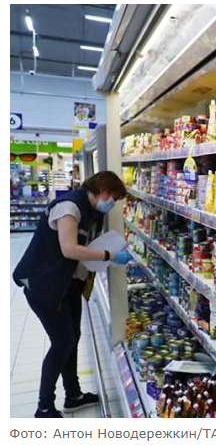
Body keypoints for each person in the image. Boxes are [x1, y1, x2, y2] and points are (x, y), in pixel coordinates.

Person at [12, 171, 133, 418]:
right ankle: (44, 406)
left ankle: (73, 395)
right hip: (43, 285)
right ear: (102, 190)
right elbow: (69, 249)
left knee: (73, 338)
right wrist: (109, 256)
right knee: (62, 342)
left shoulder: (94, 212)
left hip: (68, 285)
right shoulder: (69, 207)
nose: (112, 203)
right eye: (112, 197)